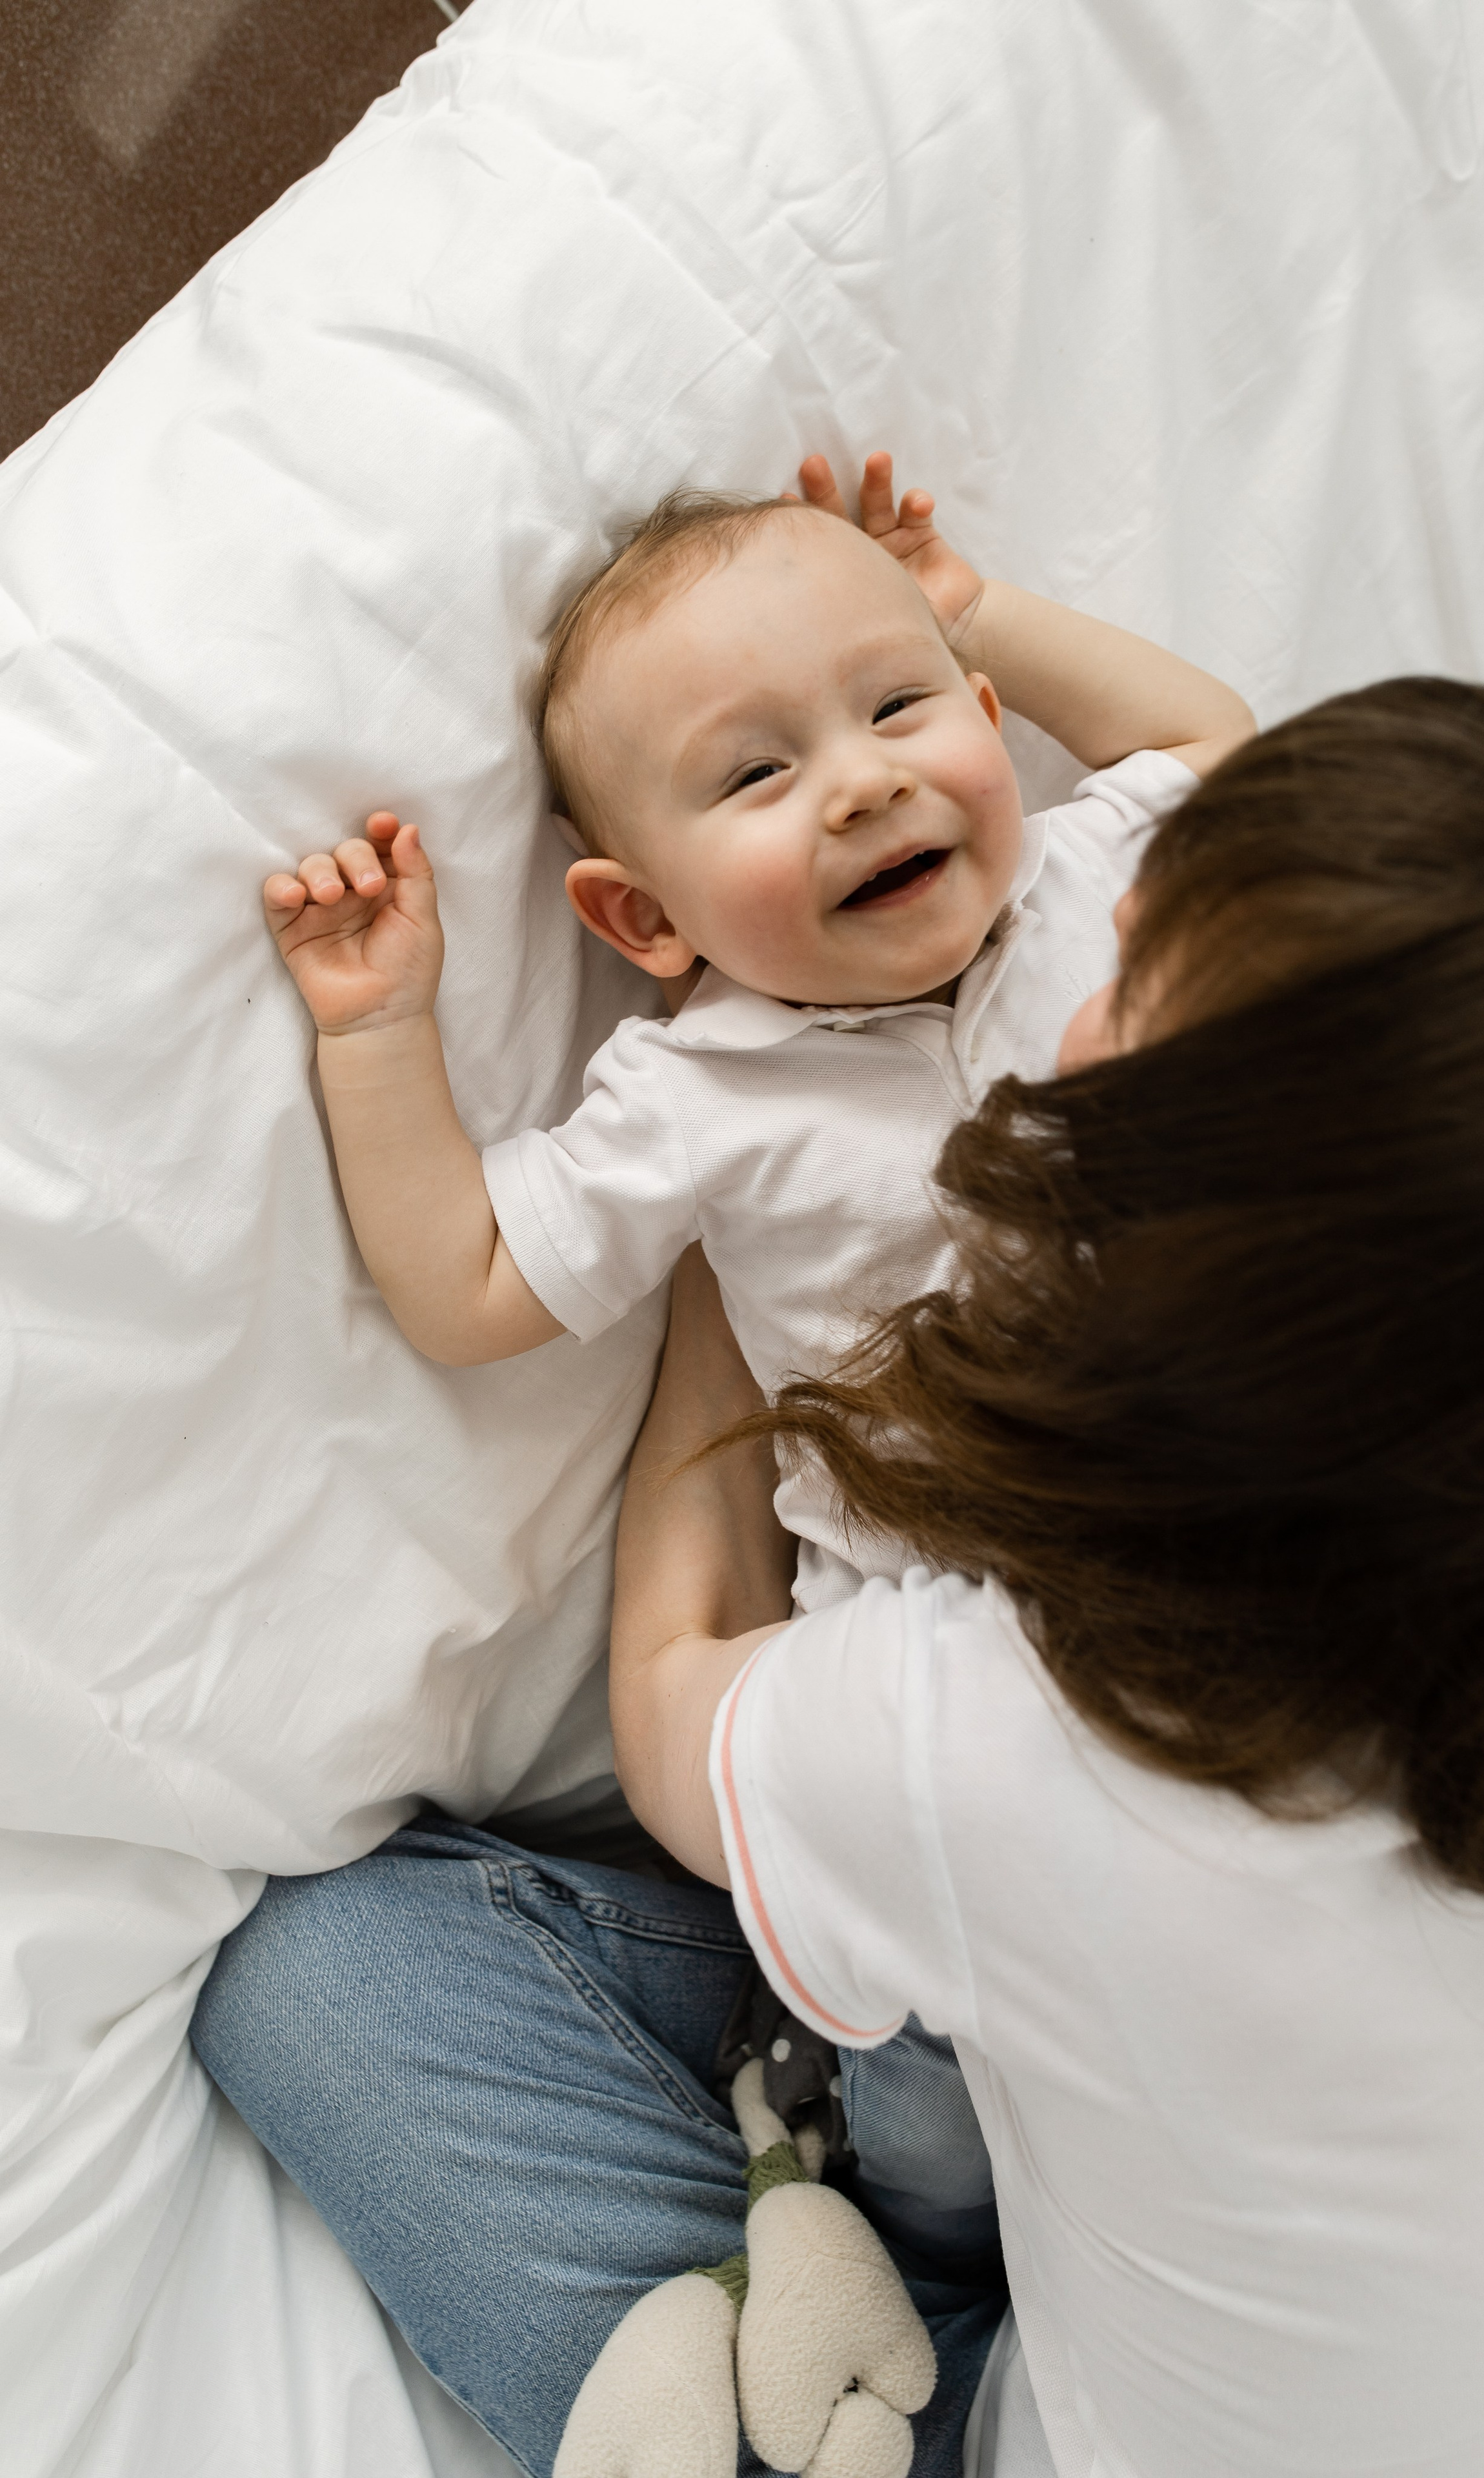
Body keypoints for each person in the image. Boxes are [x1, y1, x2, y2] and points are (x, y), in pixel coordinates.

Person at [196, 666, 1484, 2475]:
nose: (1079, 979)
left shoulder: (1035, 1723)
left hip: (1040, 2364)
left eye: (1134, 994)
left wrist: (728, 1288)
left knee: (327, 1975)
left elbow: (671, 1708)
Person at [246, 453, 1253, 2291]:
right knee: (937, 2105)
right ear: (644, 922)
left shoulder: (1105, 886)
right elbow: (470, 1283)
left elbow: (1219, 749)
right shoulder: (699, 1095)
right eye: (760, 773)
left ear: (990, 727)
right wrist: (381, 1037)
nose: (864, 778)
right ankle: (907, 2213)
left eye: (897, 709)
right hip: (916, 1651)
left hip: (1210, 1551)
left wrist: (975, 605)